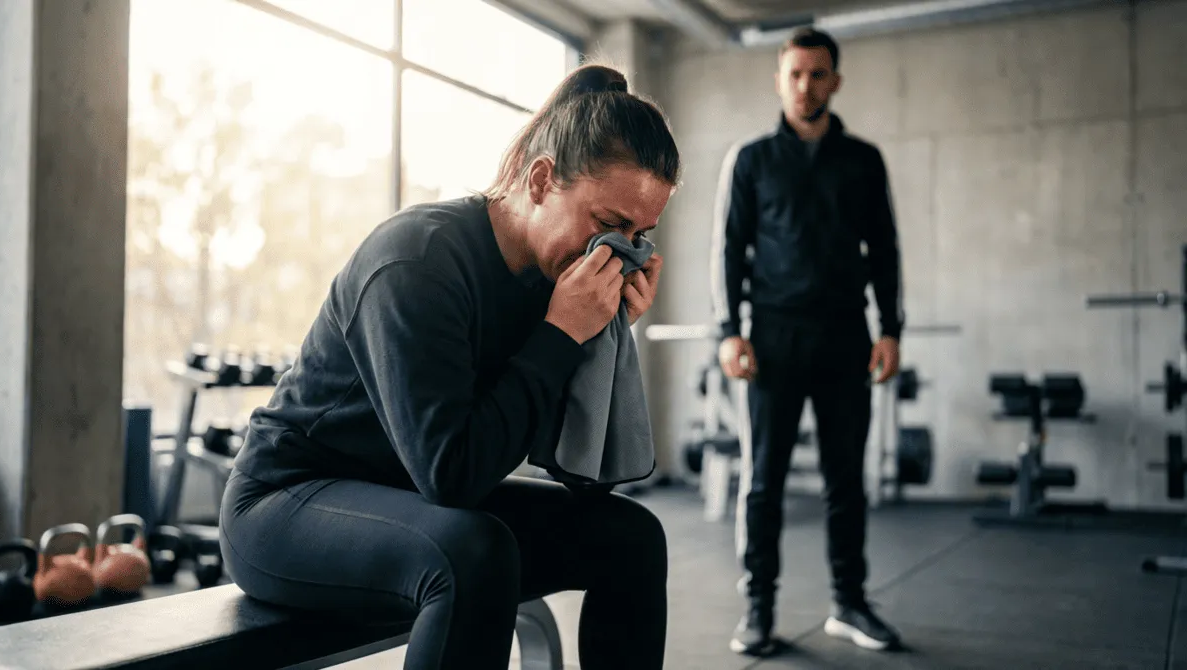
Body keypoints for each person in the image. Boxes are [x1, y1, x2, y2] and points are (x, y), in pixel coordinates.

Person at [219, 64, 681, 670]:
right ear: (541, 182)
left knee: (632, 538)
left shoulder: (553, 280)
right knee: (472, 552)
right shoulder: (416, 262)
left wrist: (604, 341)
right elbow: (453, 474)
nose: (620, 252)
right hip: (286, 504)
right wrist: (563, 332)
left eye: (640, 234)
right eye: (608, 226)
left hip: (411, 500)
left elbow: (578, 476)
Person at [710, 28, 905, 657]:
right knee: (762, 479)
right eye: (794, 74)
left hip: (847, 335)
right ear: (779, 80)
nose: (805, 85)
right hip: (772, 337)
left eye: (817, 74)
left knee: (846, 479)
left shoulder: (864, 160)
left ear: (835, 81)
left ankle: (849, 602)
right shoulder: (751, 159)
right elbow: (728, 250)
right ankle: (758, 607)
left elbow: (885, 251)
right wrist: (729, 331)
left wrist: (891, 329)